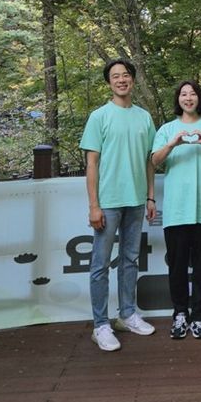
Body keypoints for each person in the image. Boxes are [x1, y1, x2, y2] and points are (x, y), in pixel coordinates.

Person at [79, 58, 157, 352]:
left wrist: (150, 196)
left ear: (133, 80)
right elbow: (92, 164)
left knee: (130, 260)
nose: (121, 80)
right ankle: (101, 325)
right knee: (100, 264)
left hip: (136, 200)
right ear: (109, 82)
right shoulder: (99, 116)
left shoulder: (144, 117)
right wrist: (94, 205)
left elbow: (150, 161)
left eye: (126, 75)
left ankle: (127, 314)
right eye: (115, 76)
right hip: (108, 202)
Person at [151, 81, 201, 340]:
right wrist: (171, 144)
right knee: (176, 266)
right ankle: (179, 313)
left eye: (193, 93)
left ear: (199, 98)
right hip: (176, 210)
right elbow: (154, 161)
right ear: (178, 99)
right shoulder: (166, 129)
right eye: (184, 94)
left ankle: (199, 317)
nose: (188, 98)